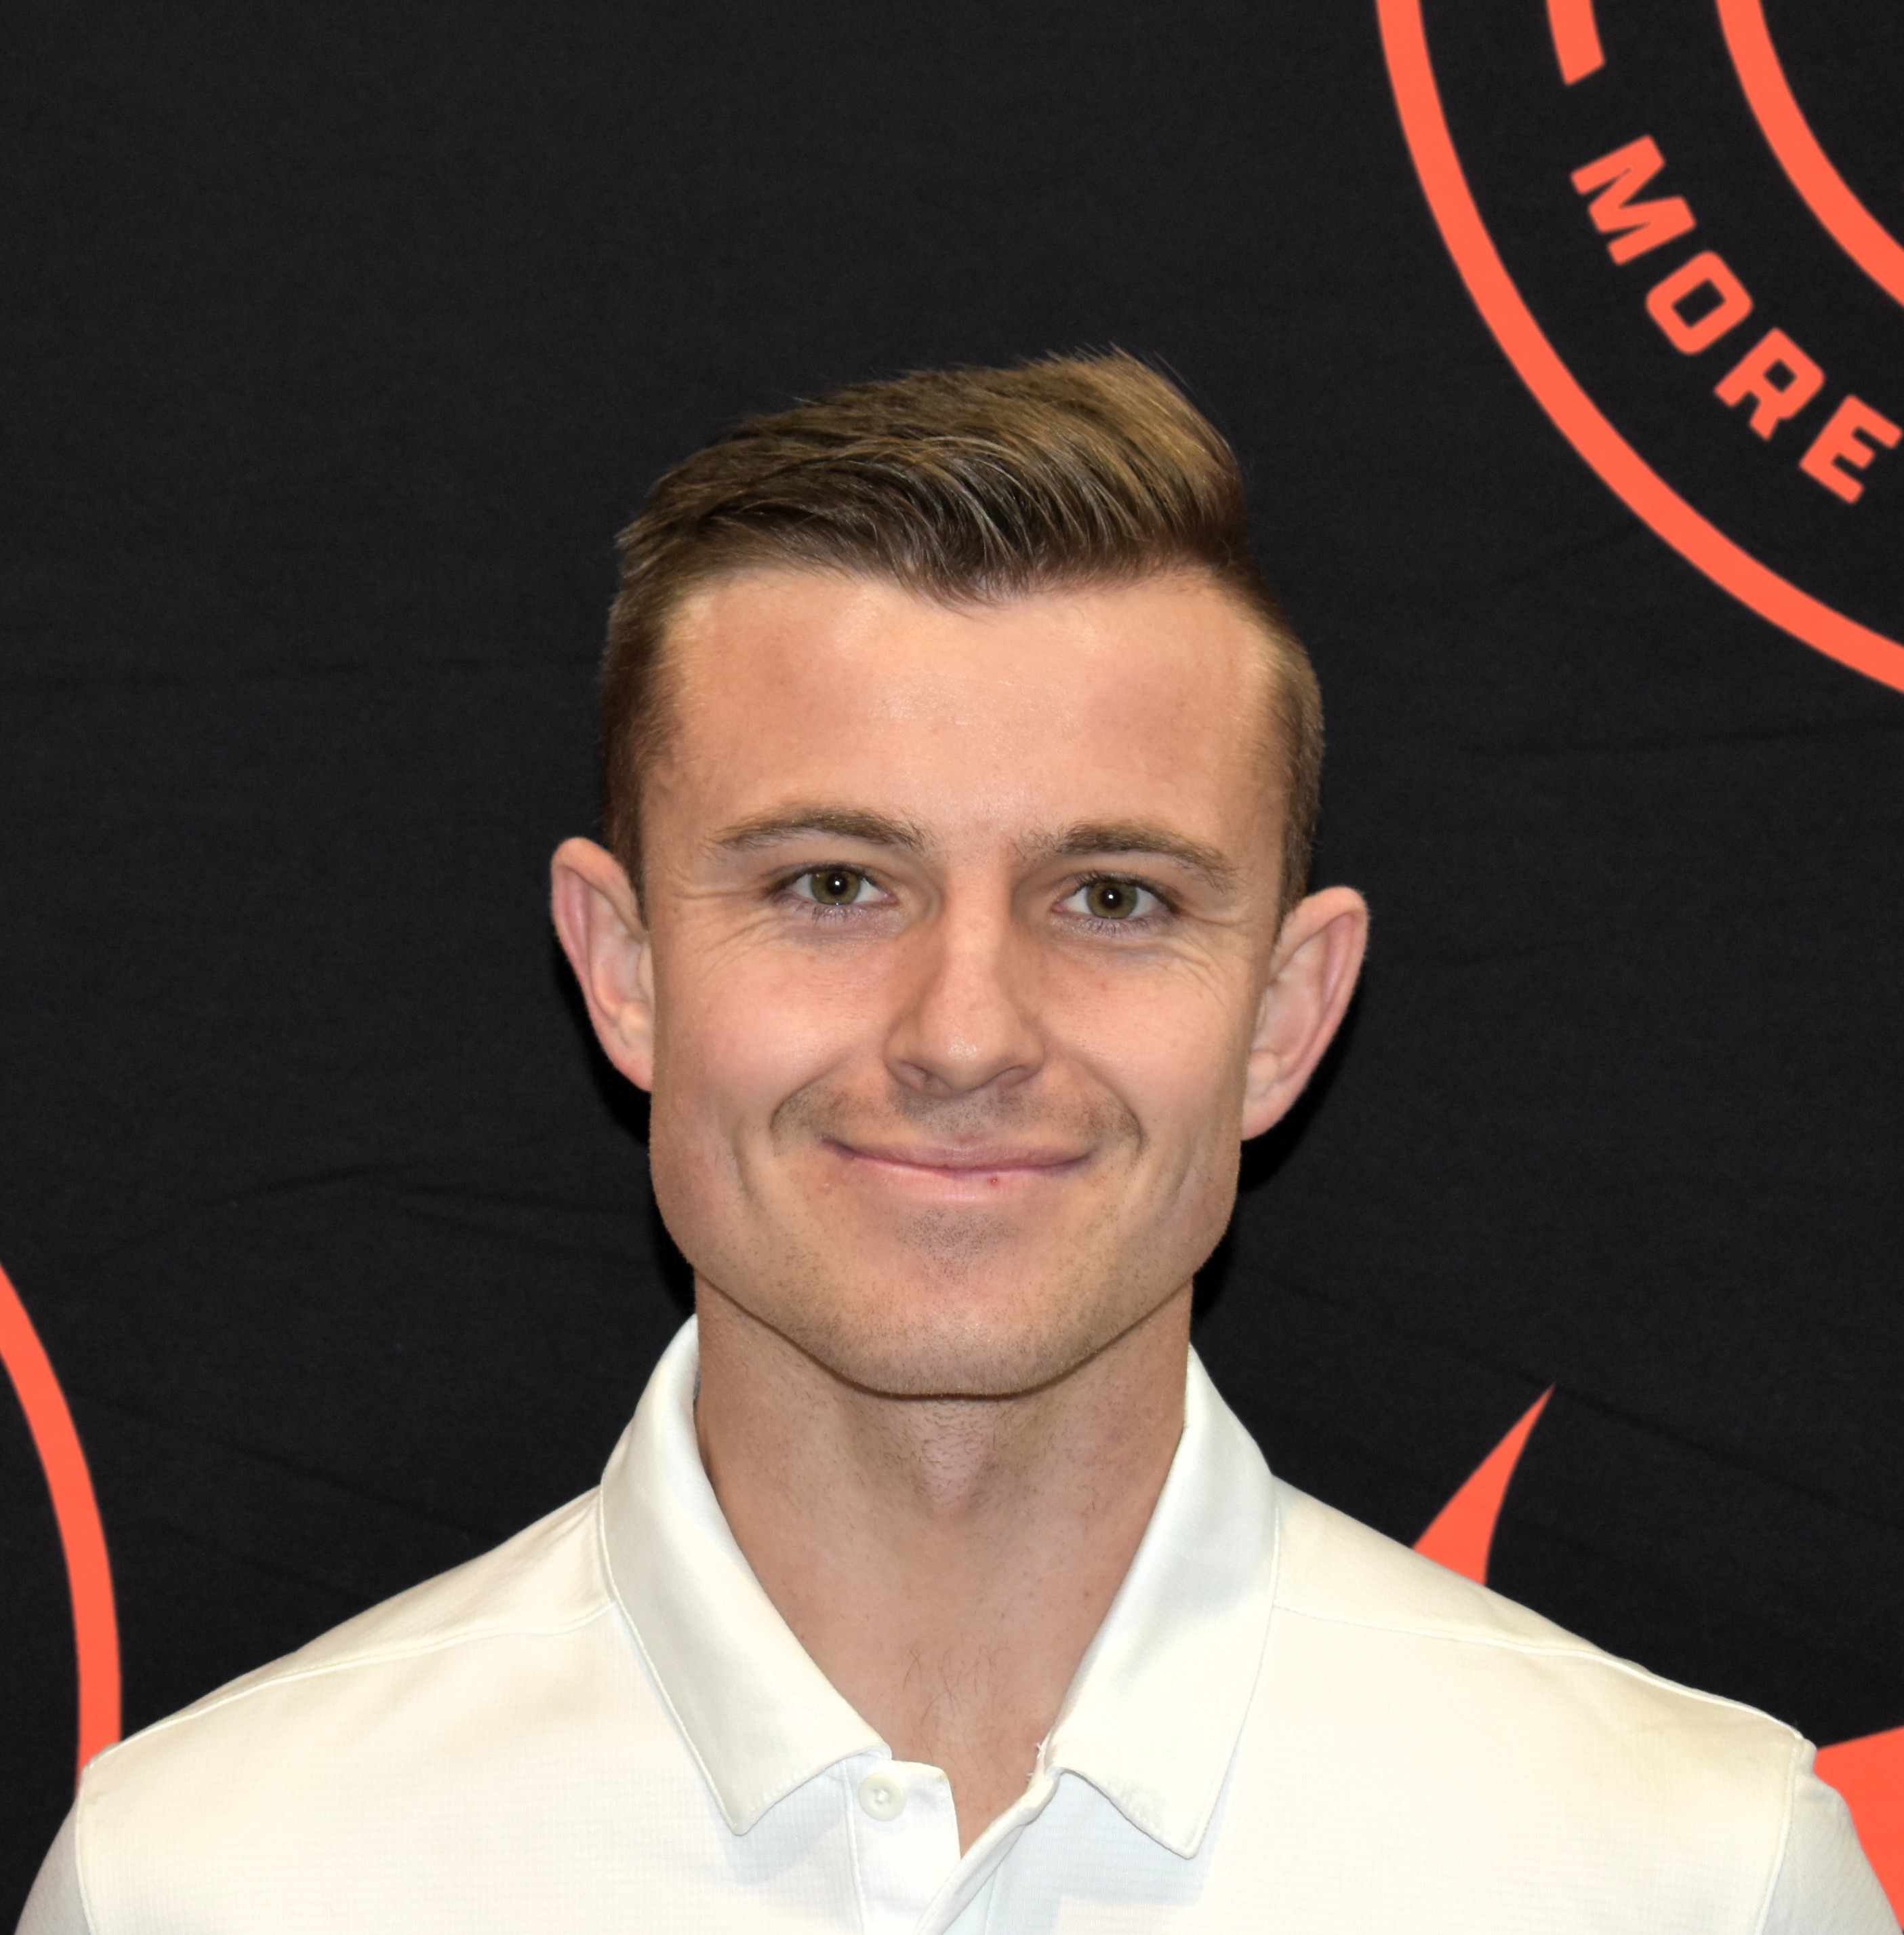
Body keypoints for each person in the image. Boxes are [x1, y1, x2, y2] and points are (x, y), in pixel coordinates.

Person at [19, 354, 1890, 1934]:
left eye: (1114, 897)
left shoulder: (1688, 1879)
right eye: (832, 884)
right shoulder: (213, 1882)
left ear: (1284, 1014)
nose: (964, 1035)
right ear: (625, 969)